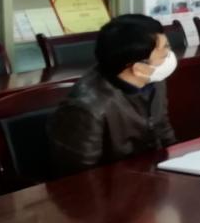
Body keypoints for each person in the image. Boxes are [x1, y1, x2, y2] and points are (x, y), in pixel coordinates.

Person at [49, 14, 177, 177]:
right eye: (164, 54)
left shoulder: (154, 80)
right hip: (114, 185)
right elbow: (80, 177)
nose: (170, 55)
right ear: (138, 68)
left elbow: (163, 130)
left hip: (148, 177)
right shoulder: (87, 108)